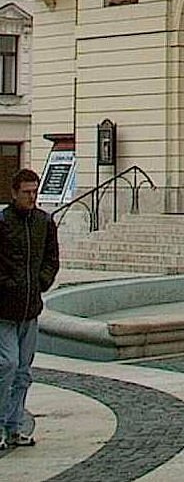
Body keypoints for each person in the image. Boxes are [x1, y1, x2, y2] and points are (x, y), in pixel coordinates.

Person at [0, 169, 60, 450]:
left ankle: (14, 426)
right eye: (26, 192)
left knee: (23, 372)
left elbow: (51, 257)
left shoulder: (44, 222)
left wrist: (42, 281)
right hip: (5, 310)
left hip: (30, 309)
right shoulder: (3, 222)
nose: (32, 197)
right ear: (14, 192)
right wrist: (9, 285)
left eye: (35, 192)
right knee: (7, 365)